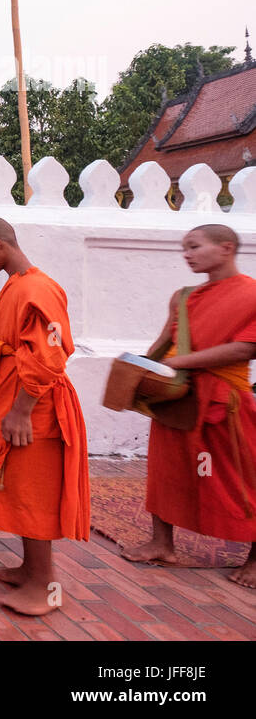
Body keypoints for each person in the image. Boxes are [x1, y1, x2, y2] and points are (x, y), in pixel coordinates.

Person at [0, 216, 90, 616]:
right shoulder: (17, 285)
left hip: (35, 407)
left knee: (33, 491)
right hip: (14, 398)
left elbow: (48, 355)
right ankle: (29, 569)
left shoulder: (38, 288)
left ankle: (46, 585)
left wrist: (21, 412)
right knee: (16, 486)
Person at [121, 223, 256, 589]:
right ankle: (161, 543)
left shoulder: (252, 294)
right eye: (185, 247)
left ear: (226, 248)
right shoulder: (183, 297)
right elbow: (163, 344)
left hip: (224, 401)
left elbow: (246, 348)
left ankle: (255, 560)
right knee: (167, 472)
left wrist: (181, 363)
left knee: (239, 478)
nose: (187, 254)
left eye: (195, 247)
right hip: (177, 398)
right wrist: (140, 375)